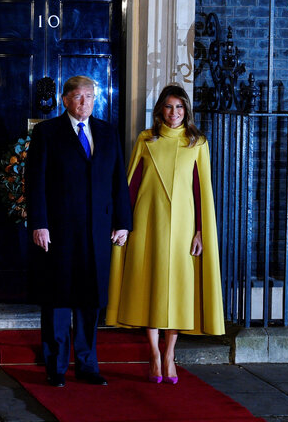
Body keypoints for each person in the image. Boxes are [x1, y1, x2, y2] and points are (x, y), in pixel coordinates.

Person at [105, 84, 224, 384]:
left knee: (177, 292)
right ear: (160, 110)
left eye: (180, 108)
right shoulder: (147, 139)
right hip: (148, 223)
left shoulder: (197, 143)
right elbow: (131, 186)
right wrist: (124, 224)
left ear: (187, 111)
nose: (174, 113)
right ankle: (154, 354)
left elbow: (202, 193)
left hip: (184, 228)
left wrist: (200, 232)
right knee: (152, 286)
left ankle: (170, 353)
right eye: (170, 107)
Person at [26, 75, 132, 387]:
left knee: (90, 300)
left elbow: (118, 182)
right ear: (65, 100)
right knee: (58, 300)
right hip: (58, 232)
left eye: (89, 96)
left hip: (98, 232)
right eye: (78, 97)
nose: (84, 102)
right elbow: (36, 183)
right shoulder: (47, 133)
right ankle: (56, 367)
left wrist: (123, 222)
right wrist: (39, 224)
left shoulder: (107, 133)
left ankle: (87, 365)